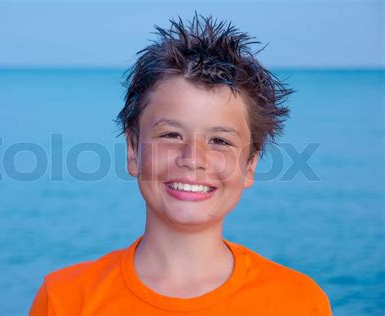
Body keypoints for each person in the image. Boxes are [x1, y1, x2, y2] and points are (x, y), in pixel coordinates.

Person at [29, 13, 333, 315]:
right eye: (171, 134)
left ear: (250, 164)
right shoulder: (65, 299)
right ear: (133, 150)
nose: (192, 159)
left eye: (220, 141)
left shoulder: (298, 302)